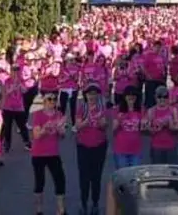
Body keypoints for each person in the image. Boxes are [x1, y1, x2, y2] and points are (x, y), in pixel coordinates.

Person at [31, 92, 67, 215]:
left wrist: (60, 129)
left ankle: (61, 210)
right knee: (40, 182)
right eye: (49, 99)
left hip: (53, 153)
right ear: (44, 102)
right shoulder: (38, 114)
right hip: (38, 154)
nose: (52, 101)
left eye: (54, 99)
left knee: (60, 180)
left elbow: (62, 135)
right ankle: (39, 210)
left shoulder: (59, 114)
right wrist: (45, 129)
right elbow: (36, 135)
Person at [74, 83, 108, 215]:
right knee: (84, 176)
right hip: (83, 146)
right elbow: (77, 126)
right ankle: (83, 203)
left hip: (99, 146)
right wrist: (86, 122)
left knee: (96, 176)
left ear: (98, 95)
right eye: (89, 94)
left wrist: (102, 123)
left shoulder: (102, 108)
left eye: (94, 94)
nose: (92, 96)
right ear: (86, 95)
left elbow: (105, 125)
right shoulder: (82, 108)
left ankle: (95, 203)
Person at [146, 86, 178, 164]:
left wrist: (170, 126)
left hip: (171, 146)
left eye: (165, 97)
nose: (162, 99)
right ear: (155, 97)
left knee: (171, 170)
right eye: (159, 96)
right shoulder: (151, 111)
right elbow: (147, 130)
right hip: (156, 147)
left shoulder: (173, 110)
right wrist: (156, 128)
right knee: (157, 170)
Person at [112, 86, 143, 169]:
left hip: (136, 150)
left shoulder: (141, 109)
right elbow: (114, 128)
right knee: (122, 175)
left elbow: (144, 129)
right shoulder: (118, 109)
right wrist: (119, 118)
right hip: (121, 150)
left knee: (134, 175)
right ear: (125, 96)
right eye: (129, 95)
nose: (131, 97)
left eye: (133, 95)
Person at [1, 66, 30, 153]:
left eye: (17, 71)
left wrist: (20, 85)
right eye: (13, 71)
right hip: (8, 107)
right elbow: (6, 92)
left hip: (19, 107)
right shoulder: (7, 81)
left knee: (22, 126)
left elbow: (25, 91)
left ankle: (27, 142)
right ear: (10, 72)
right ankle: (7, 144)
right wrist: (12, 88)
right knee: (7, 127)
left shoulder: (21, 80)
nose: (15, 73)